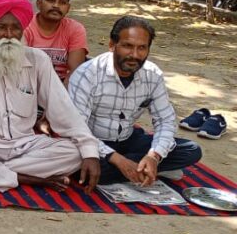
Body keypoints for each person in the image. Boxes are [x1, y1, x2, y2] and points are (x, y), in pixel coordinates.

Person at [0, 0, 102, 195]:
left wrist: (90, 151)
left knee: (75, 153)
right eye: (1, 28)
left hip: (24, 144)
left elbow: (63, 108)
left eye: (16, 28)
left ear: (23, 29)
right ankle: (29, 179)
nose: (9, 35)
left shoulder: (38, 60)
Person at [69, 16, 203, 185]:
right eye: (127, 46)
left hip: (128, 139)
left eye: (142, 48)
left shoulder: (152, 74)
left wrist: (154, 156)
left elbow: (165, 121)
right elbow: (77, 129)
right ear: (112, 45)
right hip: (93, 143)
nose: (134, 55)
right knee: (79, 163)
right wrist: (118, 160)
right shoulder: (87, 74)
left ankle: (140, 167)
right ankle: (141, 168)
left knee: (191, 150)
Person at [23, 0, 88, 83]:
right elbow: (19, 67)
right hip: (29, 83)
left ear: (68, 8)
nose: (56, 6)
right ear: (39, 4)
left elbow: (75, 72)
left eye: (62, 2)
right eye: (51, 0)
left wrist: (60, 93)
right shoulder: (24, 25)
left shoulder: (75, 29)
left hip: (62, 84)